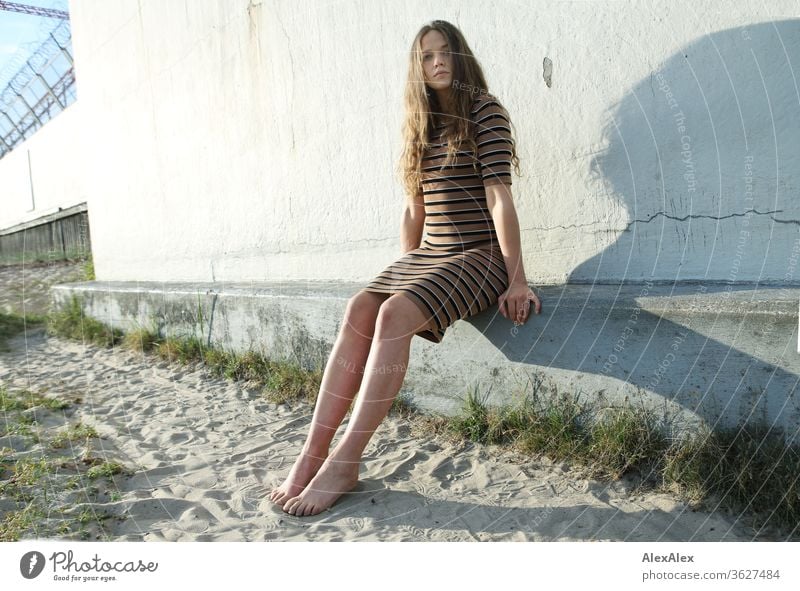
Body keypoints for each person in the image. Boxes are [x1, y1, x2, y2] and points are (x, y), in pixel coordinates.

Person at [268, 19, 541, 516]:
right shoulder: (420, 122)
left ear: (461, 59)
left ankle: (347, 460)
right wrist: (408, 266)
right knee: (359, 308)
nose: (436, 63)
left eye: (444, 53)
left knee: (393, 314)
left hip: (479, 256)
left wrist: (516, 277)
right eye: (426, 56)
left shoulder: (485, 112)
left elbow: (499, 197)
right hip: (431, 255)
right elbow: (414, 208)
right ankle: (312, 454)